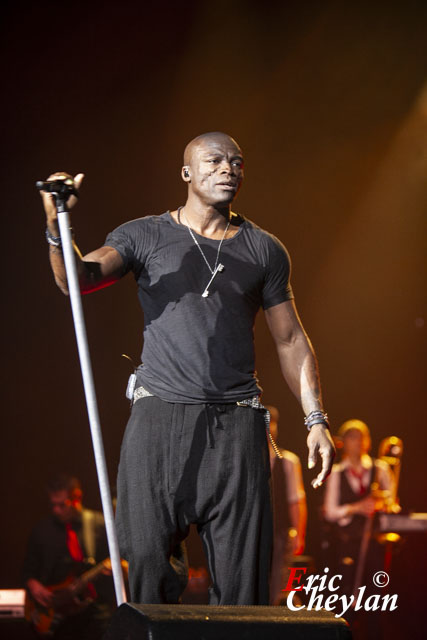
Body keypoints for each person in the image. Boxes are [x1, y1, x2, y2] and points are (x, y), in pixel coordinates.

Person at [40, 131, 335, 605]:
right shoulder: (145, 235)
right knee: (147, 563)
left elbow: (290, 338)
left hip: (237, 422)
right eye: (214, 160)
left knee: (243, 581)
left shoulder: (264, 249)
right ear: (187, 173)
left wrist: (315, 418)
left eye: (236, 162)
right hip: (160, 417)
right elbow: (76, 280)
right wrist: (58, 223)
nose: (227, 169)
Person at [23, 474, 116, 639]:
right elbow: (28, 569)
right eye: (53, 505)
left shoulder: (99, 523)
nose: (56, 510)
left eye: (62, 505)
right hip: (56, 614)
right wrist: (34, 585)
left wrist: (115, 568)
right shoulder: (42, 530)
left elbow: (119, 561)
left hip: (94, 612)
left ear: (77, 497)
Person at [322, 419, 393, 636]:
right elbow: (330, 511)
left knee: (376, 595)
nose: (359, 441)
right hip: (347, 544)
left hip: (374, 542)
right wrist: (356, 508)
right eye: (353, 437)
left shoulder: (380, 469)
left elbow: (392, 502)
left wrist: (381, 504)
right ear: (343, 442)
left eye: (363, 436)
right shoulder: (336, 472)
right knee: (345, 594)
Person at [265, 405, 307, 605]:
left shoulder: (288, 461)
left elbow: (296, 500)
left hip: (280, 532)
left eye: (271, 423)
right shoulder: (246, 459)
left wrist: (299, 534)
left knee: (277, 583)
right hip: (254, 531)